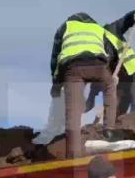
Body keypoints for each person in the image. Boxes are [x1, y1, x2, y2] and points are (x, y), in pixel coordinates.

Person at [50, 13, 117, 158]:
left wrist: (56, 83)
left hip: (73, 69)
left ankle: (73, 155)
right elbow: (111, 52)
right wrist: (108, 72)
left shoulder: (65, 27)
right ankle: (109, 128)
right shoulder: (98, 28)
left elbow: (55, 56)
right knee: (110, 88)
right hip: (98, 66)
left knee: (72, 112)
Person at [86, 10, 135, 117]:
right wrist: (90, 99)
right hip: (120, 81)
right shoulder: (93, 50)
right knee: (115, 112)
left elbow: (124, 21)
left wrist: (133, 16)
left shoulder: (110, 30)